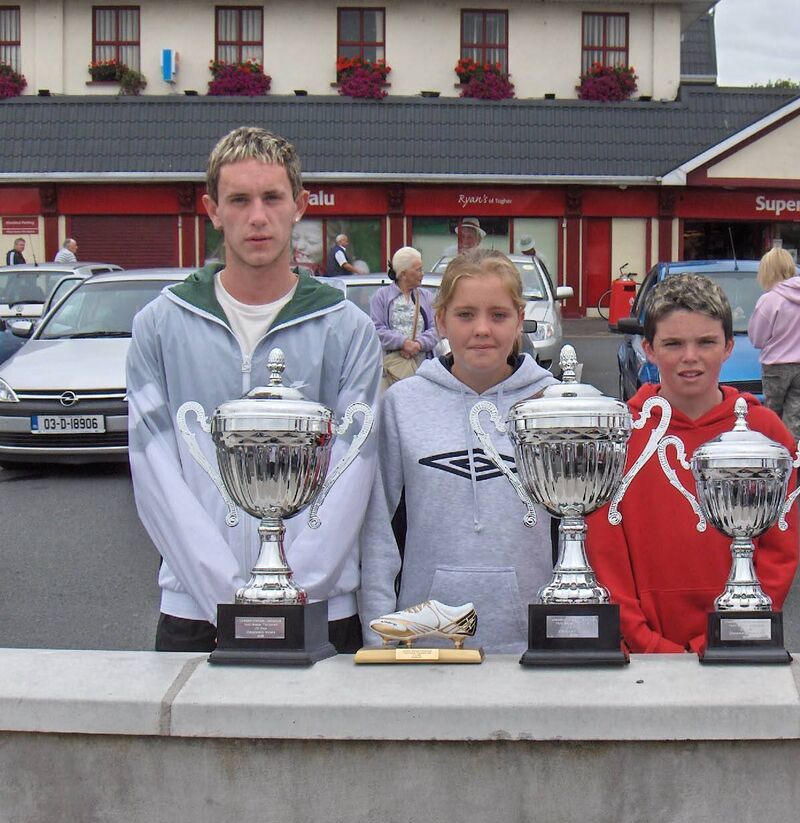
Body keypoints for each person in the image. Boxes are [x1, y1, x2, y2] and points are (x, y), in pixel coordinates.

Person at [127, 126, 381, 654]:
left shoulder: (348, 328)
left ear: (300, 205)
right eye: (239, 200)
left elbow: (352, 470)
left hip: (320, 606)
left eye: (272, 197)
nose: (257, 217)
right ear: (212, 209)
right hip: (195, 608)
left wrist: (290, 594)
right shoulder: (159, 324)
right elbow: (155, 472)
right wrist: (228, 595)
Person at [584, 273, 800, 654]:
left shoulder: (766, 432)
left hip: (737, 643)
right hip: (639, 652)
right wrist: (644, 640)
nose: (690, 357)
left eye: (705, 342)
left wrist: (724, 634)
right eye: (673, 343)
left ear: (729, 346)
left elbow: (778, 553)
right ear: (648, 348)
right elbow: (603, 551)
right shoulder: (621, 435)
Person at [359, 249, 558, 653]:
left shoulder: (553, 404)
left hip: (533, 642)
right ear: (442, 317)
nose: (482, 329)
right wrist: (379, 636)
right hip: (424, 642)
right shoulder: (403, 403)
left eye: (498, 315)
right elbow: (379, 532)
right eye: (466, 315)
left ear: (520, 319)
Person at [748, 246, 800, 438]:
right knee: (797, 423)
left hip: (776, 367)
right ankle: (794, 462)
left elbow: (757, 338)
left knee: (770, 420)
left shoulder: (770, 300)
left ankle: (773, 462)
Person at [370, 246, 438, 390]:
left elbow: (437, 329)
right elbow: (377, 329)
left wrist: (418, 344)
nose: (422, 274)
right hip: (391, 369)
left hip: (422, 368)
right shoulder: (381, 296)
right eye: (418, 270)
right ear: (403, 274)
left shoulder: (427, 297)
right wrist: (403, 343)